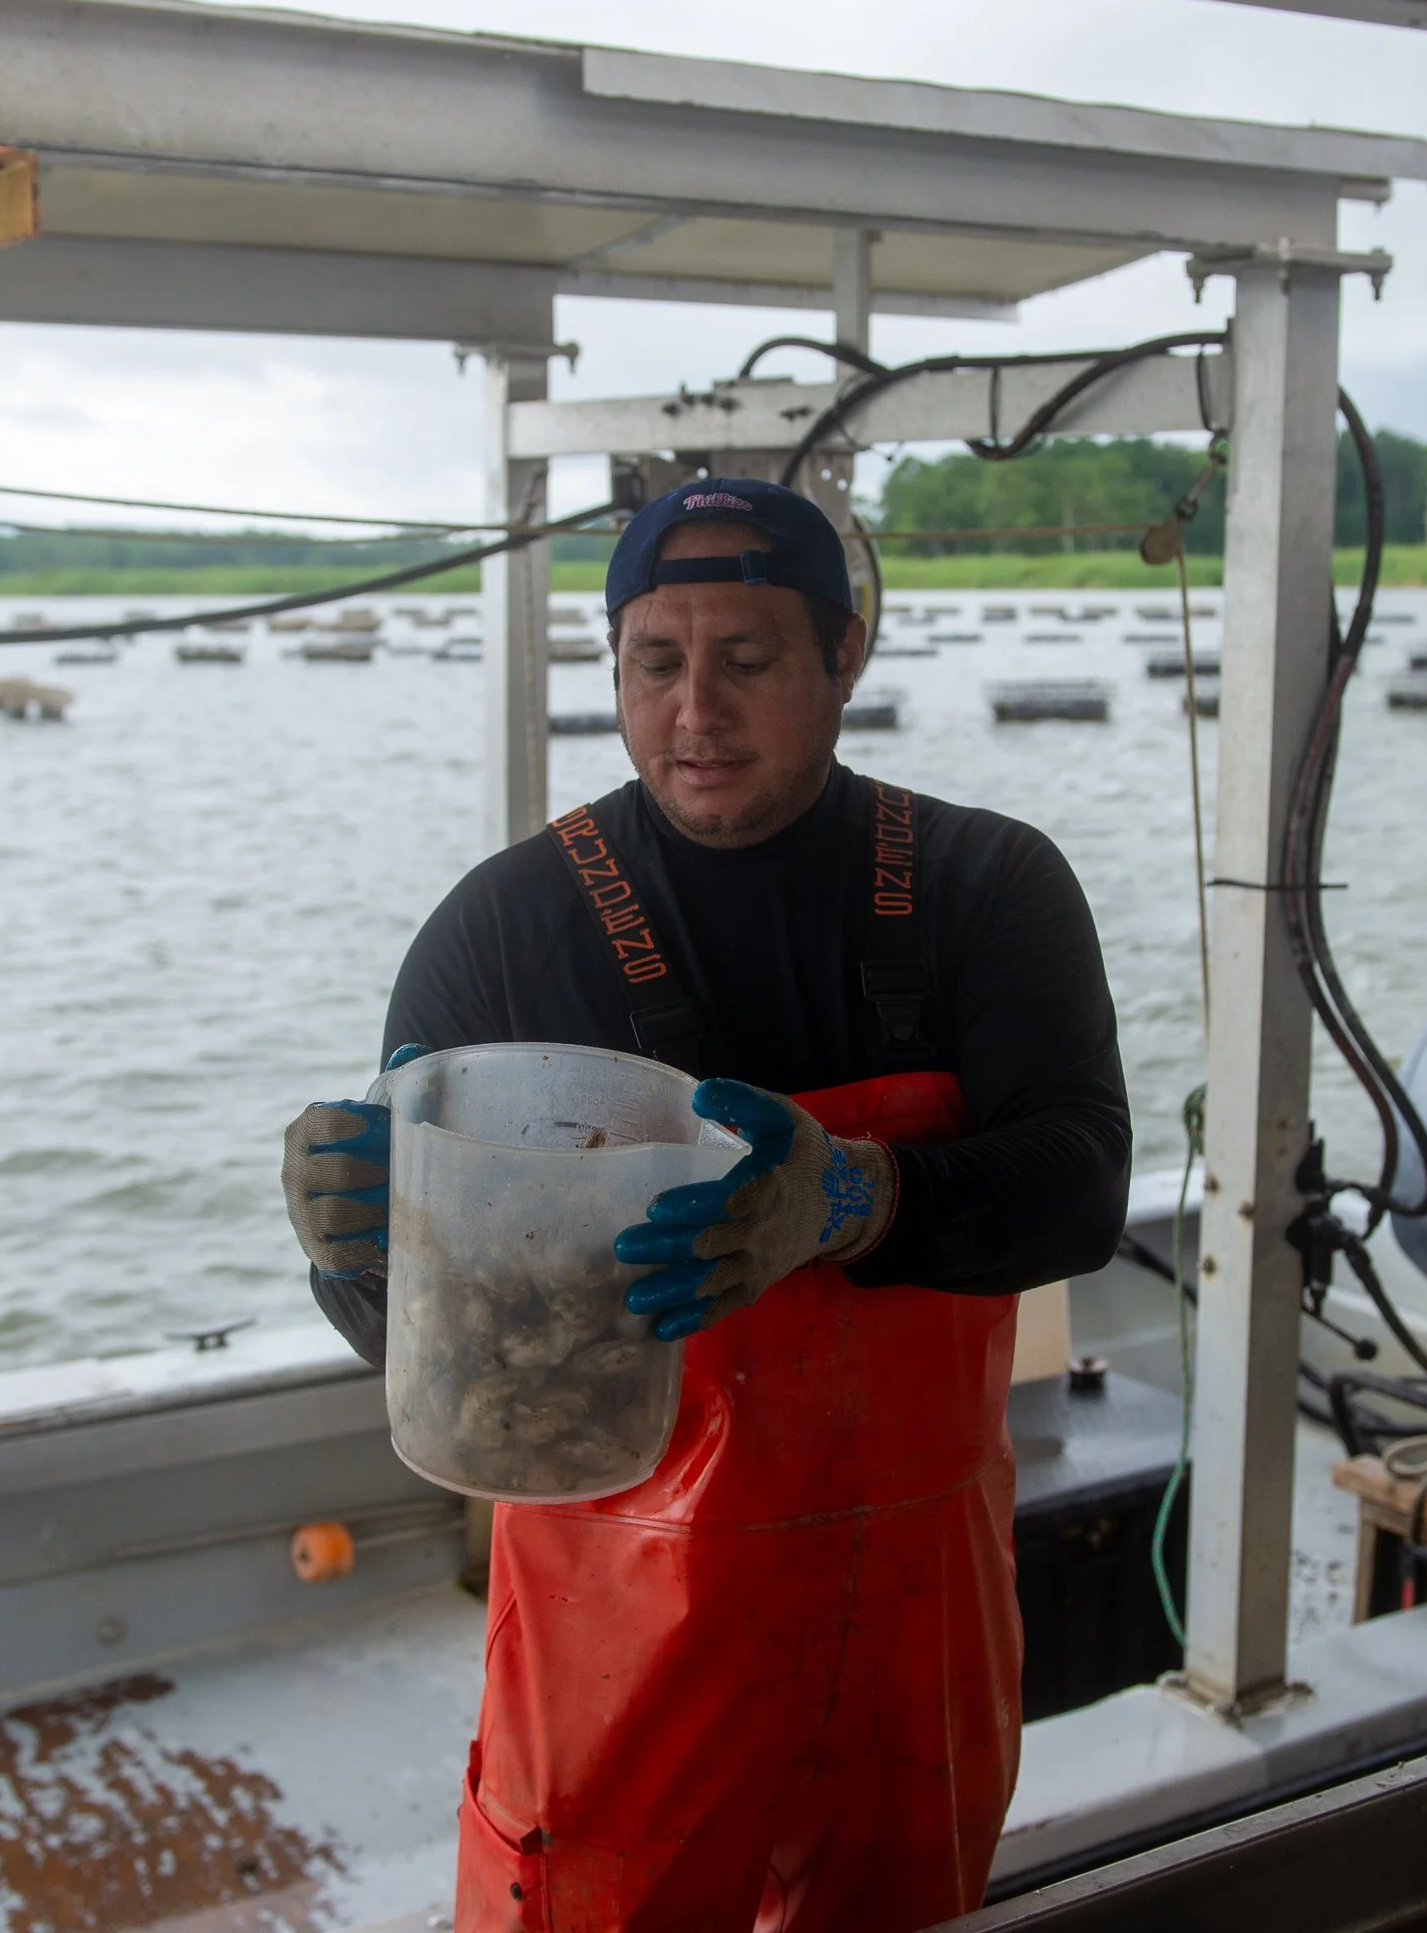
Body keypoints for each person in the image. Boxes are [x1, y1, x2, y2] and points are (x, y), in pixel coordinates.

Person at [284, 478, 1131, 1932]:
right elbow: (419, 1359)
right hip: (613, 1636)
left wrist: (858, 1199)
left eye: (746, 659)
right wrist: (361, 1250)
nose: (697, 714)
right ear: (612, 668)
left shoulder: (986, 888)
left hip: (913, 1619)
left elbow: (1082, 1189)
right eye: (654, 663)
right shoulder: (506, 930)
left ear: (842, 656)